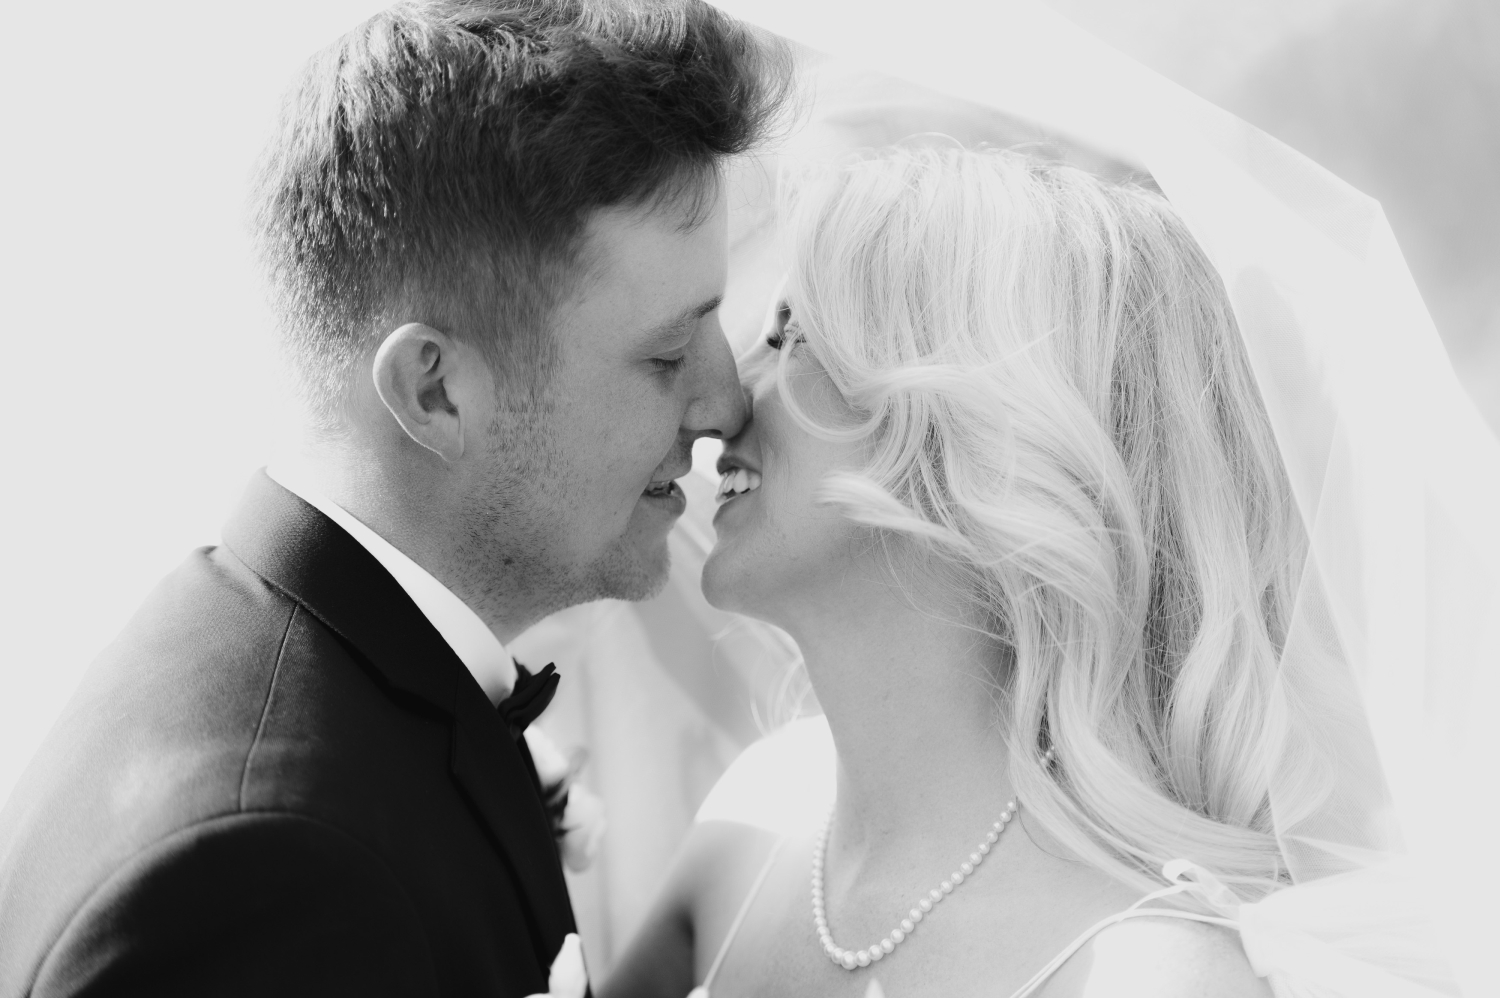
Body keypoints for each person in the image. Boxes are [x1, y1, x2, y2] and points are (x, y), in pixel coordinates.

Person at [0, 1, 788, 994]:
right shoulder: (273, 874)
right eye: (669, 351)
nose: (723, 401)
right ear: (436, 390)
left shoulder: (300, 673)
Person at [600, 145, 1454, 998]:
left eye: (793, 339)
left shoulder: (1152, 974)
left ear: (974, 437)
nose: (726, 400)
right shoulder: (757, 813)